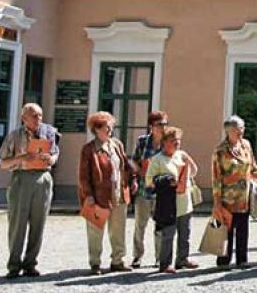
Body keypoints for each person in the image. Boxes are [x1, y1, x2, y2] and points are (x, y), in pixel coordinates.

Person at [0, 103, 61, 278]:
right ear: (24, 118)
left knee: (38, 224)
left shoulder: (48, 133)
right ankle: (14, 265)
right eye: (34, 116)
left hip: (43, 179)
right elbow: (3, 163)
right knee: (17, 223)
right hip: (21, 179)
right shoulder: (15, 136)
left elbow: (55, 155)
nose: (38, 119)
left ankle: (30, 264)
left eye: (40, 115)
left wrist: (51, 159)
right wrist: (22, 157)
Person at [78, 111, 133, 275]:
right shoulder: (88, 149)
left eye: (111, 126)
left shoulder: (117, 145)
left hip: (118, 194)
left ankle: (118, 260)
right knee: (95, 230)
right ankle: (95, 263)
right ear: (96, 129)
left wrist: (131, 181)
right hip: (99, 196)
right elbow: (83, 176)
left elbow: (125, 166)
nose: (109, 130)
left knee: (118, 230)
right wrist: (88, 195)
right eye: (105, 127)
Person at [143, 126, 198, 274]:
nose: (177, 143)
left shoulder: (181, 155)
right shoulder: (157, 160)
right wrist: (167, 180)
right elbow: (149, 181)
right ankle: (165, 263)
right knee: (168, 235)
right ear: (165, 142)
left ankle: (183, 259)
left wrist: (190, 163)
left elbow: (193, 172)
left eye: (179, 140)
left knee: (185, 233)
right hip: (168, 204)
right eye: (174, 141)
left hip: (184, 202)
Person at [211, 115, 257, 269]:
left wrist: (256, 173)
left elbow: (252, 163)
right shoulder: (220, 151)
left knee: (243, 228)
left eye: (243, 128)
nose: (242, 131)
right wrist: (217, 202)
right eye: (239, 128)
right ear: (229, 130)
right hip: (228, 198)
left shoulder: (246, 145)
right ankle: (224, 260)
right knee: (226, 229)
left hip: (244, 197)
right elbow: (216, 177)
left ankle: (242, 260)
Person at [129, 110, 168, 268]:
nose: (163, 127)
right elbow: (133, 162)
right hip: (144, 190)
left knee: (160, 226)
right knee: (140, 225)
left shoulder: (169, 143)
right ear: (151, 126)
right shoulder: (142, 142)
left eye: (165, 124)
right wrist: (136, 176)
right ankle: (137, 256)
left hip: (162, 192)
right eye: (160, 124)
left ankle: (160, 257)